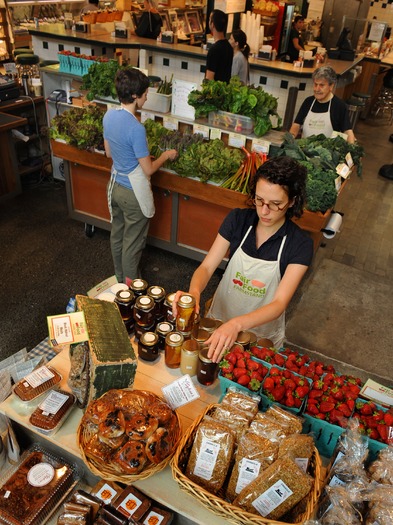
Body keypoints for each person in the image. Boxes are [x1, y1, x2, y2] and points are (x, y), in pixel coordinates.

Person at [173, 156, 314, 363]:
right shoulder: (238, 220)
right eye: (259, 200)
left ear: (292, 201)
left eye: (275, 204)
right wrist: (194, 291)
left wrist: (237, 324)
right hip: (219, 321)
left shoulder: (299, 243)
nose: (264, 211)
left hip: (260, 336)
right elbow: (207, 267)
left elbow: (279, 303)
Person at [103, 68, 177, 283]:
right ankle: (132, 287)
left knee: (117, 235)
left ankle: (119, 280)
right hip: (132, 193)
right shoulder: (136, 128)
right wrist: (165, 156)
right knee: (132, 244)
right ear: (135, 96)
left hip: (115, 186)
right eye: (145, 93)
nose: (147, 96)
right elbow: (149, 170)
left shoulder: (109, 115)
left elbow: (109, 152)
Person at [289, 66, 356, 144]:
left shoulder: (339, 106)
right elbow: (296, 125)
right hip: (305, 152)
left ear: (331, 86)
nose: (317, 89)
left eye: (322, 85)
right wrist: (291, 138)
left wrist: (352, 149)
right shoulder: (308, 102)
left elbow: (347, 131)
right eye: (315, 84)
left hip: (328, 154)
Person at [205, 9, 233, 82]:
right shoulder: (229, 47)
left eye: (209, 20)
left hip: (214, 92)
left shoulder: (214, 50)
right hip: (225, 90)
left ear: (212, 24)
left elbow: (209, 79)